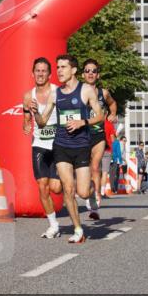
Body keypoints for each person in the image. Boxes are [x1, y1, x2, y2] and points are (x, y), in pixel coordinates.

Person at [34, 55, 104, 244]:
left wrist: (83, 122)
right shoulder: (55, 93)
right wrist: (35, 113)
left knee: (82, 192)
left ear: (73, 70)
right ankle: (78, 229)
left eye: (63, 67)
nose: (59, 71)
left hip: (81, 146)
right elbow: (42, 123)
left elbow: (100, 116)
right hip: (61, 146)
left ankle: (91, 193)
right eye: (57, 67)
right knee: (67, 189)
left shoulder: (86, 90)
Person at [22, 57, 62, 238]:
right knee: (42, 187)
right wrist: (26, 125)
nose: (40, 74)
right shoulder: (27, 96)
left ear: (49, 74)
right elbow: (25, 119)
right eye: (37, 71)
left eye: (44, 71)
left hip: (58, 144)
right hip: (39, 144)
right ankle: (53, 225)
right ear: (32, 73)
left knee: (56, 188)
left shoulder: (57, 92)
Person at [81, 59, 118, 220]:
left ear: (98, 75)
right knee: (84, 169)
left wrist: (113, 114)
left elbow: (112, 103)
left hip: (98, 135)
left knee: (95, 166)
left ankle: (96, 197)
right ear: (82, 74)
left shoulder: (104, 93)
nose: (90, 73)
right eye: (87, 70)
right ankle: (88, 194)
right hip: (81, 135)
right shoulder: (78, 91)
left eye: (93, 71)